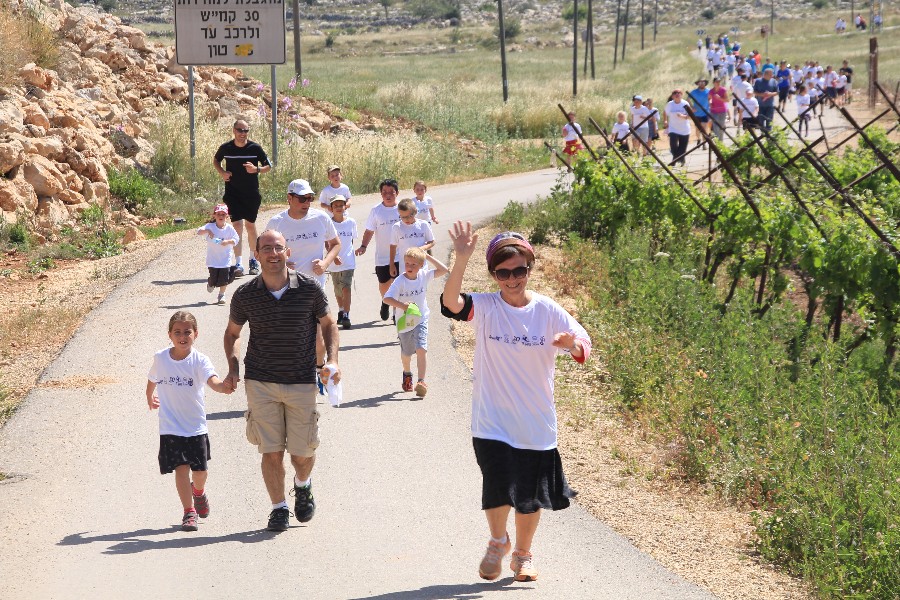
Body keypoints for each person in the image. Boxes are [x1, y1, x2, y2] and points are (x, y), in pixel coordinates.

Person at [441, 224, 592, 583]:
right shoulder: (488, 306)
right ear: (494, 275)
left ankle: (523, 556)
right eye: (503, 272)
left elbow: (583, 343)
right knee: (496, 481)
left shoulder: (547, 310)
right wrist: (461, 259)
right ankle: (498, 541)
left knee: (529, 495)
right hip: (491, 419)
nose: (512, 279)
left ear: (530, 268)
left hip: (535, 423)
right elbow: (452, 303)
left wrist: (571, 344)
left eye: (519, 270)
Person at [224, 230, 341, 532]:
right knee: (271, 450)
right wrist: (234, 367)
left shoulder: (309, 289)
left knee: (302, 454)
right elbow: (233, 334)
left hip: (301, 380)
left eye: (278, 248)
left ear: (287, 253)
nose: (273, 253)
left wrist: (332, 360)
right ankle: (278, 508)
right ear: (257, 254)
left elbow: (329, 324)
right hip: (260, 381)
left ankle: (303, 484)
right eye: (266, 248)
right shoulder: (245, 294)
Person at [147, 311, 233, 531]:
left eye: (187, 332)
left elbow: (212, 381)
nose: (182, 336)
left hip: (195, 426)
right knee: (180, 468)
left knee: (200, 472)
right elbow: (152, 378)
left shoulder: (200, 360)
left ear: (196, 334)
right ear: (169, 335)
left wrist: (223, 387)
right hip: (171, 425)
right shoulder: (161, 358)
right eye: (177, 332)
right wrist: (149, 395)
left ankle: (199, 492)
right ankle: (189, 512)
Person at [265, 179, 341, 370]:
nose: (307, 203)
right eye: (302, 199)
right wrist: (280, 263)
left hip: (314, 285)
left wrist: (325, 263)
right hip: (285, 286)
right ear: (289, 198)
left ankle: (316, 371)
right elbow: (263, 253)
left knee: (317, 337)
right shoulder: (277, 222)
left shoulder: (320, 218)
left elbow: (336, 244)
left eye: (310, 198)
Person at [383, 247, 449, 397]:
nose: (410, 267)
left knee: (421, 348)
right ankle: (407, 373)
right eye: (407, 263)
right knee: (407, 354)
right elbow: (386, 298)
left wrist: (427, 257)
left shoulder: (424, 276)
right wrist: (403, 306)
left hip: (421, 318)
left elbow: (444, 269)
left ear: (421, 265)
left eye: (414, 264)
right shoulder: (400, 281)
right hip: (404, 322)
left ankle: (421, 381)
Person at [213, 119, 271, 278]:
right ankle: (238, 262)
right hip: (232, 193)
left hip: (251, 193)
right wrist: (222, 172)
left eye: (246, 131)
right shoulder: (226, 147)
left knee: (250, 226)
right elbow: (216, 160)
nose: (242, 134)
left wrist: (257, 169)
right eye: (240, 130)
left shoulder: (255, 148)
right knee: (237, 225)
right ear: (234, 130)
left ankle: (253, 259)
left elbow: (269, 165)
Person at [356, 179, 401, 321]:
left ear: (397, 193)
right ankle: (385, 301)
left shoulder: (403, 208)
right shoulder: (376, 211)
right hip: (382, 257)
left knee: (398, 283)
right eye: (384, 193)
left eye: (391, 192)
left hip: (401, 255)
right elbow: (369, 230)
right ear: (381, 194)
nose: (388, 195)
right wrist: (363, 246)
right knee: (384, 285)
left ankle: (396, 313)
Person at [196, 204, 239, 306]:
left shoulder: (229, 228)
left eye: (223, 214)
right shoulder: (210, 226)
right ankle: (210, 283)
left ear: (227, 216)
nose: (221, 216)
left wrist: (228, 242)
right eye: (218, 214)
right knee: (214, 279)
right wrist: (207, 231)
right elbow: (198, 232)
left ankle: (222, 294)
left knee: (224, 279)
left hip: (225, 259)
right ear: (214, 215)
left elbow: (236, 239)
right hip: (213, 260)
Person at [326, 195, 357, 329]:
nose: (339, 208)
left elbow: (351, 241)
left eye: (341, 205)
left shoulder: (351, 222)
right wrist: (333, 256)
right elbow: (326, 242)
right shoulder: (328, 223)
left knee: (346, 287)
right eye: (335, 205)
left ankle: (346, 315)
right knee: (338, 289)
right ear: (331, 208)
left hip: (348, 262)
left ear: (345, 206)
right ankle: (341, 308)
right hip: (333, 262)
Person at [389, 198, 435, 279]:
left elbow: (432, 241)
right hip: (405, 268)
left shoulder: (423, 225)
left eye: (408, 216)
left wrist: (422, 248)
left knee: (421, 290)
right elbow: (393, 246)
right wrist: (391, 264)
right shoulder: (396, 227)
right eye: (402, 217)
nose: (405, 219)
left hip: (421, 266)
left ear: (415, 212)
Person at [663, 89, 692, 166]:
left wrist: (683, 116)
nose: (677, 94)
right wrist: (665, 121)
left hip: (684, 129)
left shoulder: (685, 103)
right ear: (672, 96)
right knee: (673, 146)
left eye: (679, 93)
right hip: (673, 128)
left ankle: (679, 160)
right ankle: (676, 160)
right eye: (675, 93)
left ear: (681, 95)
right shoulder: (670, 104)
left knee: (682, 147)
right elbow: (665, 112)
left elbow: (690, 116)